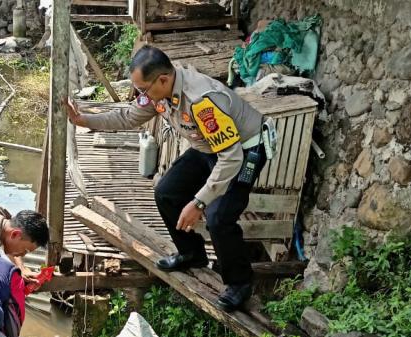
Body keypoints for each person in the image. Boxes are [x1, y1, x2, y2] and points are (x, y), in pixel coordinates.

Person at [66, 46, 267, 312]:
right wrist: (83, 119)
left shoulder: (202, 101)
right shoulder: (158, 92)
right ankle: (191, 254)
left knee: (219, 217)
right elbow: (128, 116)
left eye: (143, 90)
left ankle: (240, 283)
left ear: (163, 79)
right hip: (208, 148)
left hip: (243, 151)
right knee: (166, 192)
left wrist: (198, 203)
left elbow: (231, 159)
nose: (141, 97)